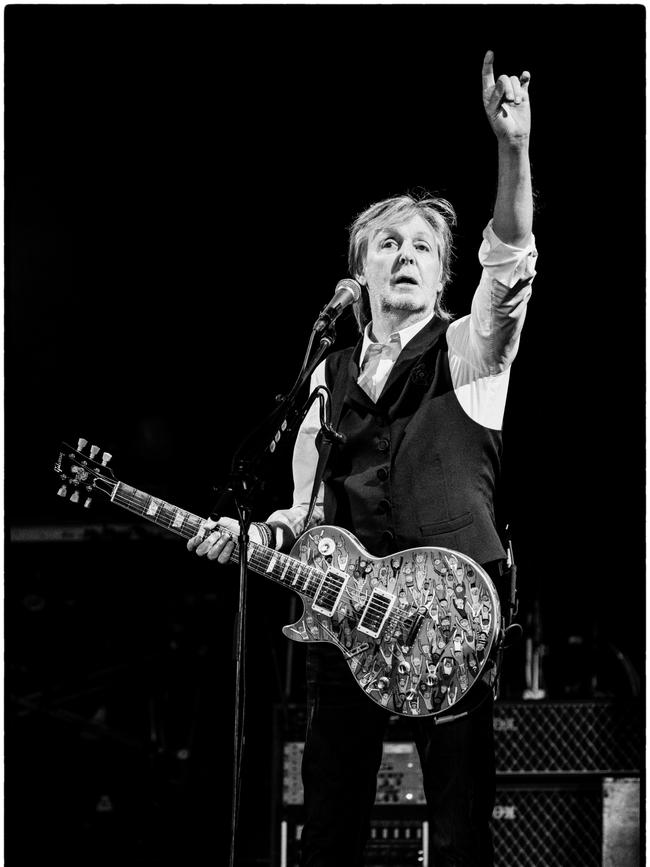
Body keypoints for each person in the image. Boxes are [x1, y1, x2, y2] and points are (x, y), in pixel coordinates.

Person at [189, 50, 536, 867]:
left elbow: (513, 260)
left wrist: (512, 147)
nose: (406, 252)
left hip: (450, 618)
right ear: (362, 269)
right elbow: (305, 512)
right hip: (347, 624)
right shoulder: (324, 373)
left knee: (457, 833)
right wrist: (256, 535)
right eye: (388, 242)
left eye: (422, 244)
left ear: (444, 271)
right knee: (328, 829)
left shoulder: (474, 348)